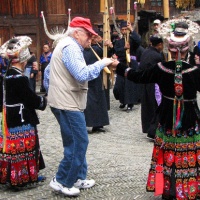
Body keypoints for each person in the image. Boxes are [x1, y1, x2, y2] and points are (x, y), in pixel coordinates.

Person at [112, 20, 200, 200]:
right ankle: (189, 189)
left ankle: (168, 188)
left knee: (167, 151)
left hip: (167, 117)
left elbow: (137, 76)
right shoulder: (194, 71)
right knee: (188, 152)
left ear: (169, 47)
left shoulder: (161, 69)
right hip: (190, 119)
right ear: (187, 49)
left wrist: (118, 66)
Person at [47, 17, 114, 197]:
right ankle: (63, 180)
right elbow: (82, 74)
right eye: (88, 35)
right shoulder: (71, 47)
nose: (90, 39)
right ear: (77, 33)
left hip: (64, 100)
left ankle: (77, 177)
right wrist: (102, 63)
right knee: (79, 141)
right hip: (67, 102)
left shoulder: (66, 46)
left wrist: (54, 92)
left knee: (74, 141)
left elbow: (47, 74)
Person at [0, 36, 47, 187]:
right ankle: (22, 178)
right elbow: (29, 98)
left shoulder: (7, 75)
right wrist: (43, 101)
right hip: (21, 117)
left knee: (12, 148)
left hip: (9, 116)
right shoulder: (19, 78)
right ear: (23, 60)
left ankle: (12, 177)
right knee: (24, 146)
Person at [139, 34, 165, 140]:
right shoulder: (157, 56)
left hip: (145, 82)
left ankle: (148, 127)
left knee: (147, 106)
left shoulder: (145, 52)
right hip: (154, 84)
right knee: (156, 106)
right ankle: (154, 131)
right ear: (159, 45)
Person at [83, 33, 109, 133]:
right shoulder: (80, 52)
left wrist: (107, 46)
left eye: (91, 39)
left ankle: (98, 124)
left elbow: (105, 54)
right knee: (88, 103)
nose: (89, 41)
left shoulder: (96, 50)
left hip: (96, 79)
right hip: (86, 80)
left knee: (99, 101)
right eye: (88, 39)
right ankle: (88, 123)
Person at [113, 21, 140, 112]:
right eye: (123, 30)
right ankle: (122, 100)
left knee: (130, 84)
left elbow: (138, 41)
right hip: (122, 64)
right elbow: (117, 51)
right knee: (119, 85)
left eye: (125, 29)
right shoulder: (119, 41)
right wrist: (124, 48)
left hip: (131, 63)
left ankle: (130, 103)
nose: (124, 31)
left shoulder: (132, 40)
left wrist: (131, 30)